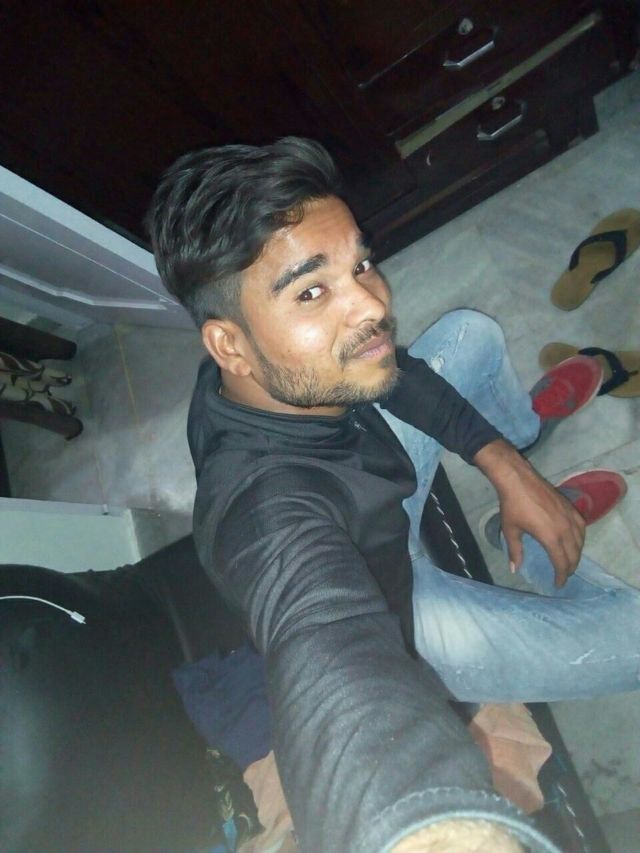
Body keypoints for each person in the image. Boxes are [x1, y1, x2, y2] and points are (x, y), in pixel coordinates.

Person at [146, 138, 639, 852]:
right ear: (231, 344)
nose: (372, 304)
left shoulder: (257, 376)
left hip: (382, 511)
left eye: (360, 264)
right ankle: (542, 554)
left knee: (470, 335)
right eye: (311, 292)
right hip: (401, 618)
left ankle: (526, 446)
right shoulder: (264, 513)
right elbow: (326, 649)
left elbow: (389, 369)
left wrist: (507, 467)